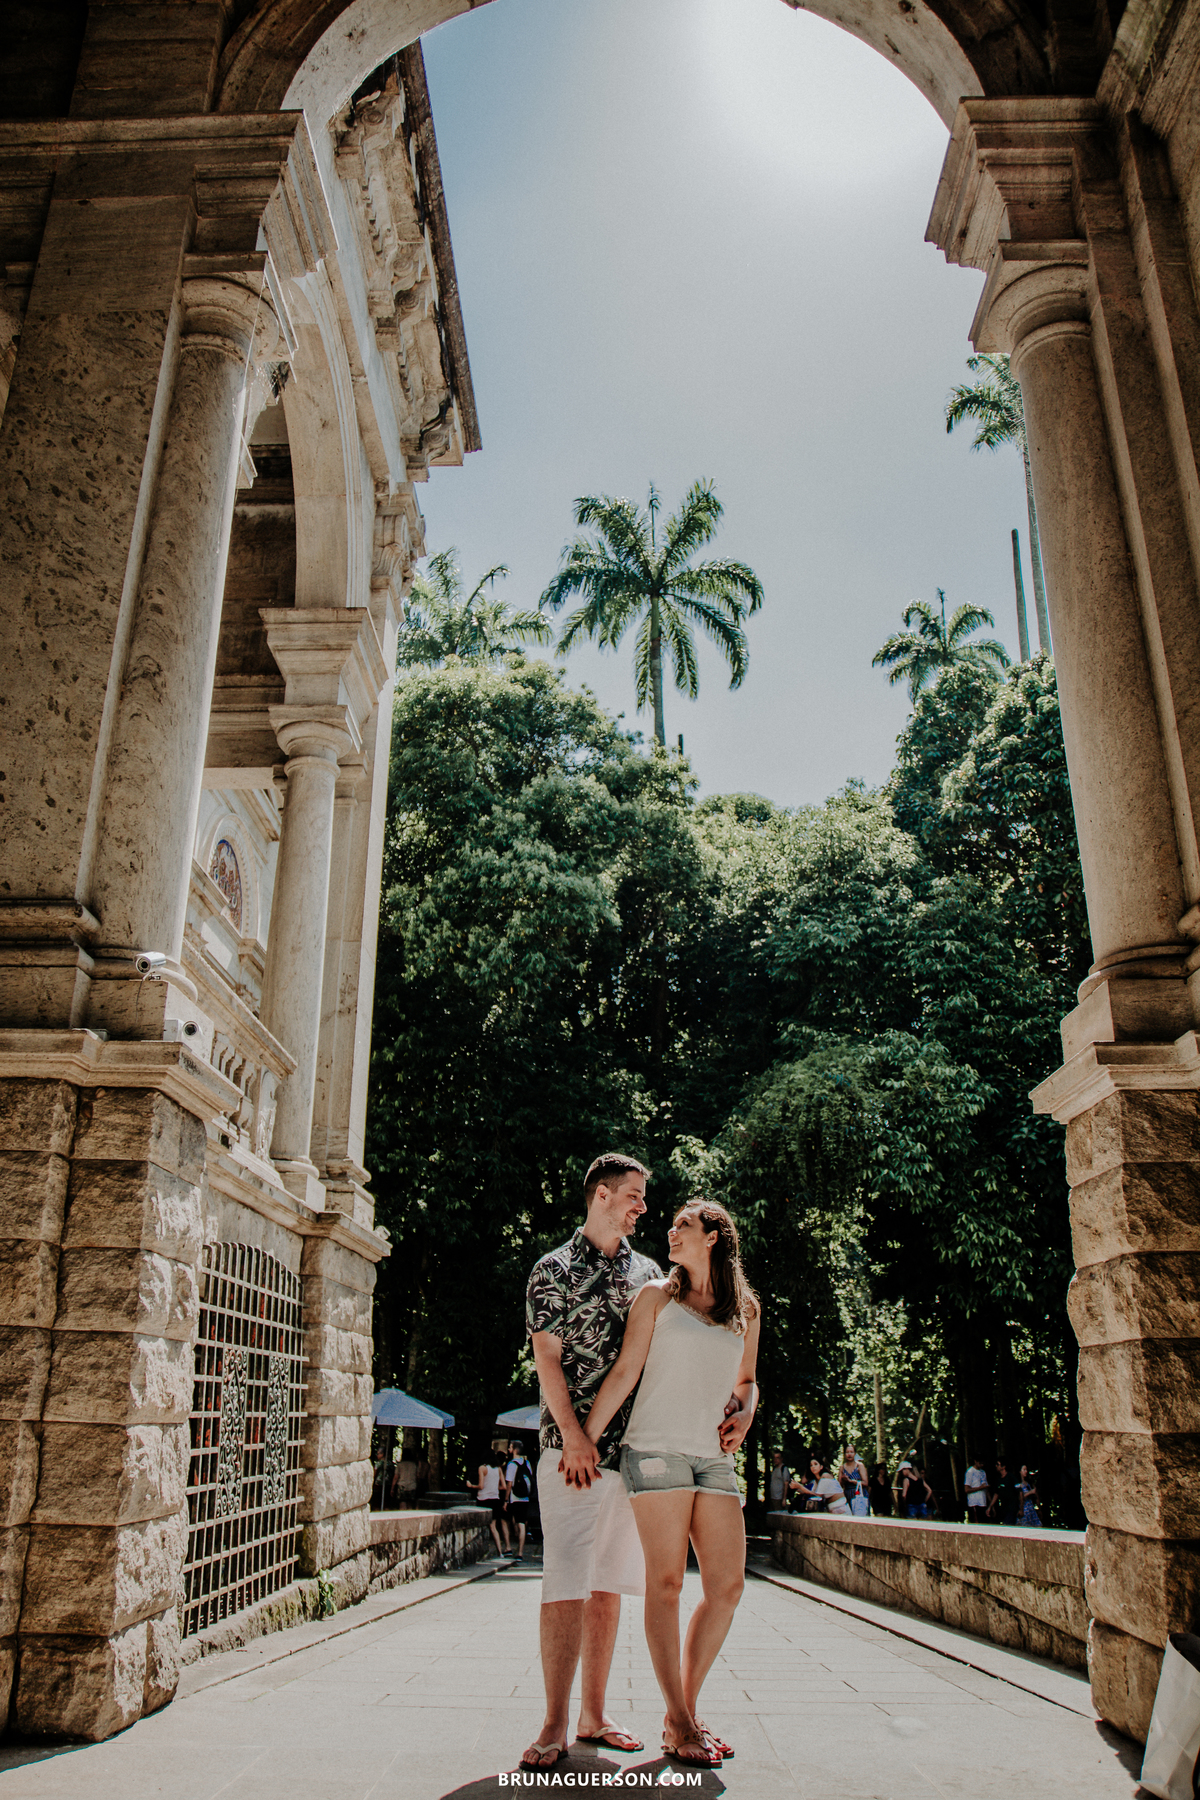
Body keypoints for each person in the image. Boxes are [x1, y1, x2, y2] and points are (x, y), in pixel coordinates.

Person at [584, 1198, 760, 1769]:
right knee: (665, 1585)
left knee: (727, 1587)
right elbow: (626, 1370)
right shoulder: (656, 1296)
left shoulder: (745, 1310)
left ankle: (682, 1709)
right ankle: (680, 1720)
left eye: (683, 1224)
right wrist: (584, 1436)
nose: (670, 1229)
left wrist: (748, 1410)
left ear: (713, 1236)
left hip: (713, 1458)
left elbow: (748, 1380)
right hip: (655, 1451)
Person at [520, 1153, 665, 1773]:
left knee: (609, 1585)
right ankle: (554, 1722)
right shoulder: (551, 1269)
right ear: (601, 1194)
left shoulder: (651, 1273)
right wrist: (577, 1438)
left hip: (630, 1455)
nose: (642, 1206)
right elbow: (547, 1361)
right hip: (569, 1455)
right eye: (633, 1195)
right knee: (566, 1581)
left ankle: (593, 1716)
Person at [468, 1445, 513, 1558]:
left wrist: (471, 1486)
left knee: (481, 1525)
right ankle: (500, 1552)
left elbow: (481, 1485)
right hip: (495, 1499)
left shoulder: (482, 1468)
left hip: (483, 1499)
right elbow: (503, 1486)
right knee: (493, 1527)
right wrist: (493, 1487)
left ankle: (480, 1550)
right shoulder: (498, 1468)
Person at [505, 1441, 534, 1560]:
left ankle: (509, 1547)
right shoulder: (527, 1463)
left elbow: (509, 1484)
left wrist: (506, 1500)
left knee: (507, 1520)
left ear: (514, 1449)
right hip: (525, 1498)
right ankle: (520, 1552)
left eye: (510, 1447)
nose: (508, 1449)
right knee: (521, 1524)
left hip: (514, 1498)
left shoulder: (511, 1464)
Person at [987, 1457, 1019, 1525]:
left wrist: (1021, 1508)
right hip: (1003, 1508)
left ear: (1003, 1467)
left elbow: (1020, 1492)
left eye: (998, 1464)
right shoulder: (998, 1480)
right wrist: (990, 1507)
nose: (996, 1466)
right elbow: (996, 1494)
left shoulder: (1011, 1477)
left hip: (1012, 1508)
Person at [839, 1443, 869, 1513]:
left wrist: (852, 1481)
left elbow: (865, 1483)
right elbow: (839, 1485)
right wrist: (843, 1480)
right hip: (847, 1495)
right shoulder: (842, 1468)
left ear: (855, 1453)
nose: (849, 1454)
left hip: (859, 1495)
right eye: (847, 1452)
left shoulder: (859, 1466)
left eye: (851, 1452)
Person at [963, 1457, 990, 1521]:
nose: (981, 1465)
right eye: (980, 1463)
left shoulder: (983, 1472)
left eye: (983, 1463)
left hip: (983, 1502)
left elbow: (986, 1489)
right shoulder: (970, 1472)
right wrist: (980, 1488)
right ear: (975, 1461)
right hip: (974, 1503)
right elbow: (966, 1489)